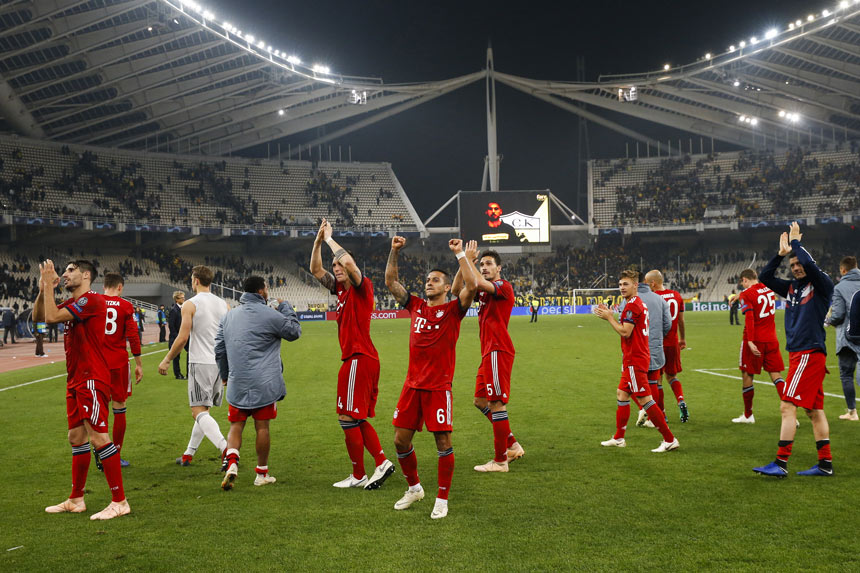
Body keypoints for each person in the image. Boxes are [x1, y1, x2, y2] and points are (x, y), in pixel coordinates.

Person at [385, 236, 477, 519]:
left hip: (438, 387)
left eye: (436, 280)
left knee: (443, 443)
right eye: (427, 279)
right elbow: (391, 282)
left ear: (447, 287)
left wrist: (462, 255)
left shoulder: (453, 311)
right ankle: (414, 488)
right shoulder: (415, 306)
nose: (429, 282)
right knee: (400, 441)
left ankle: (442, 498)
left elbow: (471, 285)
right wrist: (394, 251)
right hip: (412, 385)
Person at [35, 259, 130, 520]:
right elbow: (41, 317)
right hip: (75, 380)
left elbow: (52, 316)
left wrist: (48, 284)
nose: (65, 274)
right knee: (76, 438)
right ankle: (76, 499)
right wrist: (44, 290)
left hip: (91, 378)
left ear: (86, 275)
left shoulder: (91, 300)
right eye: (64, 271)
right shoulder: (73, 304)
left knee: (99, 437)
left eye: (70, 270)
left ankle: (119, 501)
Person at [310, 218, 395, 490]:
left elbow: (348, 263)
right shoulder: (339, 290)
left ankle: (368, 469)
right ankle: (373, 466)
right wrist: (317, 241)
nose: (336, 269)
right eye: (334, 266)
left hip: (359, 357)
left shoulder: (361, 287)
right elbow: (315, 269)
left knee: (347, 417)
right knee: (354, 417)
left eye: (339, 265)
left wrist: (330, 240)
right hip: (357, 359)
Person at [755, 222, 834, 477]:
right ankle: (825, 464)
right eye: (793, 265)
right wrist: (780, 255)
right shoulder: (791, 288)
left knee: (787, 406)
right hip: (803, 353)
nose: (796, 267)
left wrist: (797, 244)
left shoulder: (821, 284)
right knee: (814, 410)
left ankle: (780, 463)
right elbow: (765, 277)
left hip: (807, 352)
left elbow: (810, 266)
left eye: (798, 263)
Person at [216, 276, 301, 490]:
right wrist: (285, 307)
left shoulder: (228, 317)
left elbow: (219, 349)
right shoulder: (271, 314)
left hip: (237, 381)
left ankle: (232, 463)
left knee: (236, 425)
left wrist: (225, 375)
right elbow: (294, 331)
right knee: (262, 427)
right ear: (262, 291)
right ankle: (261, 473)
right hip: (265, 383)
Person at [452, 247, 524, 472]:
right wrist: (462, 261)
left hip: (497, 349)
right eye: (481, 264)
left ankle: (501, 460)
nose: (484, 267)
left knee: (496, 403)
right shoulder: (482, 290)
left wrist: (465, 258)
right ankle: (512, 445)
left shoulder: (503, 287)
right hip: (488, 353)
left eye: (488, 264)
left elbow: (477, 282)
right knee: (480, 401)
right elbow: (456, 290)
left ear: (499, 268)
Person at [595, 269, 678, 453]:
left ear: (635, 285)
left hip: (635, 358)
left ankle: (669, 439)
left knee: (645, 400)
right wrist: (610, 314)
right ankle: (619, 438)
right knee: (622, 394)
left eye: (626, 284)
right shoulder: (635, 303)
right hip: (636, 356)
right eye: (620, 284)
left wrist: (609, 317)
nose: (622, 288)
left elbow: (626, 331)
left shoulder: (633, 305)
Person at [158, 266, 230, 467]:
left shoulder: (190, 304)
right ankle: (188, 454)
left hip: (200, 362)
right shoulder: (224, 305)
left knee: (197, 411)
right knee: (204, 411)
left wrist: (167, 359)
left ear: (195, 281)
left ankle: (226, 449)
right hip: (219, 363)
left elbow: (182, 338)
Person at [732, 268, 785, 424]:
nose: (742, 286)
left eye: (742, 283)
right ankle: (790, 413)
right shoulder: (769, 290)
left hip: (755, 339)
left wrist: (749, 340)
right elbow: (757, 295)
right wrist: (740, 295)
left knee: (747, 374)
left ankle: (748, 415)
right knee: (777, 376)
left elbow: (749, 316)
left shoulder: (747, 294)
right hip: (772, 339)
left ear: (745, 280)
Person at [102, 273, 144, 466]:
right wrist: (139, 364)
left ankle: (100, 450)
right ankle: (114, 455)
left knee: (98, 409)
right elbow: (133, 336)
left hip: (96, 362)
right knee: (119, 408)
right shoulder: (126, 306)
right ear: (120, 287)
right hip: (118, 363)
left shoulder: (94, 302)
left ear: (104, 285)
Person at [645, 270, 689, 422]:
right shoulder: (676, 295)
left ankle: (662, 414)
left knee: (657, 379)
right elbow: (681, 321)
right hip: (673, 342)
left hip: (657, 344)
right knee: (672, 376)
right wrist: (682, 339)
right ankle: (681, 400)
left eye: (647, 283)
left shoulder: (653, 298)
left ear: (653, 283)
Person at [630, 274, 671, 429]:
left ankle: (645, 409)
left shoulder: (630, 300)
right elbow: (668, 324)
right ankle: (655, 418)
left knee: (629, 382)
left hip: (635, 349)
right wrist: (657, 337)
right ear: (645, 282)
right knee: (653, 381)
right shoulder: (660, 299)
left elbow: (624, 326)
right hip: (655, 347)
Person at [826, 256, 860, 421]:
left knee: (847, 374)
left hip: (847, 339)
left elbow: (838, 315)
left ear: (843, 270)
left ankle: (852, 412)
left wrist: (828, 321)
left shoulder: (840, 287)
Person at [167, 291, 186, 380]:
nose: (184, 299)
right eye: (182, 298)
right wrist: (178, 336)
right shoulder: (173, 310)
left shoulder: (184, 308)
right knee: (176, 356)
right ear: (176, 299)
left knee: (191, 352)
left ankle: (189, 373)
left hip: (185, 336)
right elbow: (171, 325)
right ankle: (178, 374)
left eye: (183, 297)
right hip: (176, 337)